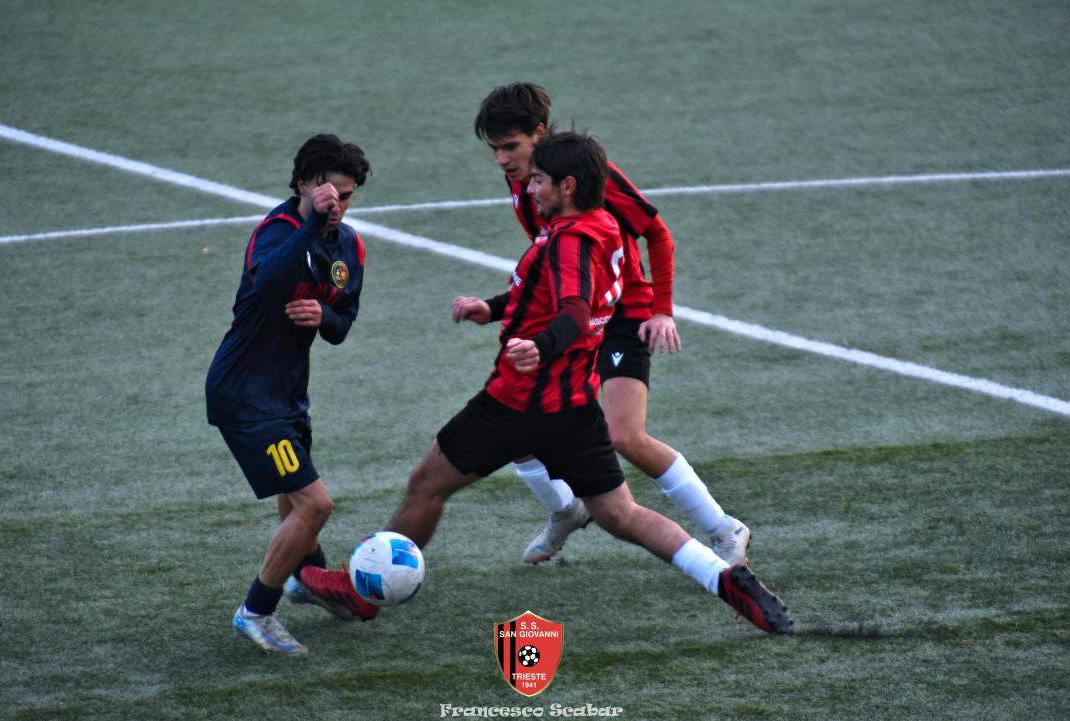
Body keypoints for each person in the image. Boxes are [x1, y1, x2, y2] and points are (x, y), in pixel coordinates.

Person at [302, 131, 793, 634]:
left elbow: (575, 311)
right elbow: (548, 293)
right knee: (621, 514)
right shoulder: (604, 226)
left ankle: (362, 594)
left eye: (539, 180)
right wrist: (492, 308)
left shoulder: (568, 241)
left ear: (568, 185)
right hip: (575, 407)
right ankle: (723, 578)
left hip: (516, 403)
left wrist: (541, 346)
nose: (531, 190)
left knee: (426, 486)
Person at [473, 82, 751, 565]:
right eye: (494, 149)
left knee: (624, 435)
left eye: (510, 146)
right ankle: (566, 509)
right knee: (512, 418)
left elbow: (657, 234)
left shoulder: (585, 172)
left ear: (538, 132)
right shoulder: (526, 182)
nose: (501, 159)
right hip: (570, 321)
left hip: (622, 316)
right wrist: (498, 308)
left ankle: (725, 529)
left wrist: (661, 309)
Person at [205, 133, 377, 656]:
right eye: (327, 193)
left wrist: (324, 314)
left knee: (293, 498)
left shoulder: (349, 245)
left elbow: (342, 323)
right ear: (302, 184)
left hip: (287, 397)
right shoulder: (277, 231)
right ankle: (256, 611)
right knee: (314, 504)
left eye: (345, 196)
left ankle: (309, 577)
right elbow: (269, 281)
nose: (336, 204)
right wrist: (310, 222)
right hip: (245, 396)